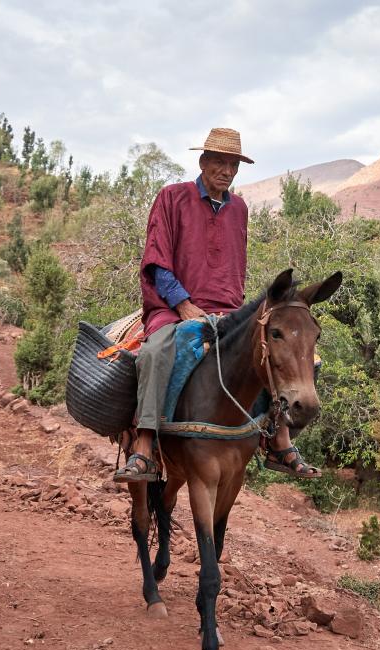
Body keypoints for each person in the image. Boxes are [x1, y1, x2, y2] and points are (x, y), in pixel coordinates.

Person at [113, 127, 321, 483]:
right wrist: (182, 304)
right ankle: (145, 446)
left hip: (228, 309)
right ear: (203, 162)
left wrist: (238, 312)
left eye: (233, 165)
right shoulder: (171, 198)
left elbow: (232, 268)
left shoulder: (239, 208)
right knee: (156, 351)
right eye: (220, 163)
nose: (226, 171)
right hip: (172, 305)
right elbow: (157, 261)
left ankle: (278, 439)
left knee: (286, 354)